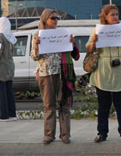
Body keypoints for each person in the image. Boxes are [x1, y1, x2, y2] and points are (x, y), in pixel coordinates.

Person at [86, 4, 121, 143]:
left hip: (120, 71)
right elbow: (88, 48)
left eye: (117, 14)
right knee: (103, 105)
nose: (115, 17)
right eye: (112, 14)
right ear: (105, 17)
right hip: (103, 72)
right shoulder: (98, 29)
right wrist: (94, 41)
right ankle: (102, 133)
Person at [31, 8, 76, 144]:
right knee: (49, 105)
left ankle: (65, 134)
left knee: (64, 104)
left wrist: (72, 43)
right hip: (46, 73)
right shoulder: (37, 35)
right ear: (45, 20)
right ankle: (49, 134)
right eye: (53, 18)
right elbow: (34, 56)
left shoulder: (62, 34)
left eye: (57, 18)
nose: (56, 21)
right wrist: (37, 46)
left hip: (63, 73)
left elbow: (72, 53)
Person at [0, 17, 18, 122]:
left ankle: (3, 115)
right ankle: (12, 114)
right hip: (10, 66)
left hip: (1, 67)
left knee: (1, 92)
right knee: (9, 91)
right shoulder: (11, 36)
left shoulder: (0, 36)